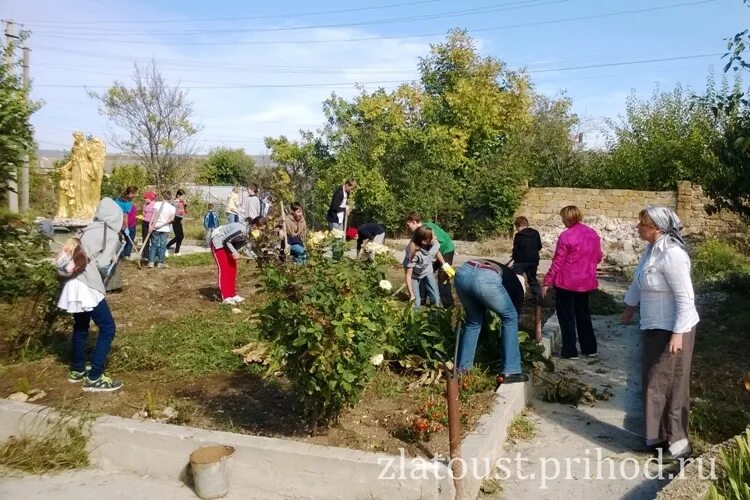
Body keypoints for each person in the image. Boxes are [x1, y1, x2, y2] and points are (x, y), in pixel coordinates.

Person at [621, 206, 699, 462]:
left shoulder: (673, 255)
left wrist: (678, 333)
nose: (637, 227)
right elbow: (638, 282)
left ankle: (679, 446)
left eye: (642, 224)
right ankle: (656, 439)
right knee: (654, 382)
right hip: (654, 327)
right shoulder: (650, 252)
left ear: (657, 228)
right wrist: (629, 308)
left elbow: (685, 298)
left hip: (674, 328)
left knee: (673, 384)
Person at [56, 197, 125, 392]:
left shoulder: (87, 228)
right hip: (88, 285)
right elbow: (103, 264)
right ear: (116, 216)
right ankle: (94, 377)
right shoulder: (110, 233)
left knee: (80, 325)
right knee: (108, 328)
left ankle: (77, 369)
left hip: (73, 282)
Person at [454, 258, 529, 386]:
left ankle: (462, 369)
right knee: (510, 317)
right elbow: (513, 314)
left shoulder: (507, 275)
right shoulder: (518, 290)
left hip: (463, 272)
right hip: (485, 278)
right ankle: (511, 370)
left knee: (473, 321)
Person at [542, 205, 603, 359]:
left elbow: (558, 261)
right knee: (584, 315)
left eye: (563, 217)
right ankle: (590, 349)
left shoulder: (566, 236)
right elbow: (598, 257)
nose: (562, 220)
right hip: (585, 282)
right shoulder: (593, 234)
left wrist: (547, 282)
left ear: (567, 218)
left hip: (566, 283)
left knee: (566, 317)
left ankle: (570, 351)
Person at [405, 211, 456, 308]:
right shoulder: (419, 232)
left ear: (414, 221)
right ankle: (422, 299)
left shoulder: (428, 229)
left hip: (446, 250)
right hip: (434, 253)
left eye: (408, 225)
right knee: (423, 271)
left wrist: (444, 264)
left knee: (443, 277)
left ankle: (448, 305)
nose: (407, 228)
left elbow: (442, 243)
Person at [511, 216, 544, 342]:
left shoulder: (519, 236)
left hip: (521, 261)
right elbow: (539, 247)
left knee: (516, 279)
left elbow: (516, 250)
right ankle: (538, 298)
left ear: (519, 225)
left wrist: (514, 255)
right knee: (532, 279)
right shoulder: (535, 233)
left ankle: (518, 297)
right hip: (533, 260)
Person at [209, 219, 250, 305]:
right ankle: (226, 296)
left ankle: (232, 294)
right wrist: (234, 252)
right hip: (218, 241)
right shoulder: (242, 229)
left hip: (228, 245)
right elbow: (225, 240)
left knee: (232, 269)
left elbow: (245, 246)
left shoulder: (250, 233)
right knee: (224, 269)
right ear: (255, 225)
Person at [148, 191, 176, 269]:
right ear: (170, 198)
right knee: (163, 246)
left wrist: (150, 225)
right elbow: (171, 219)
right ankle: (160, 262)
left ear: (162, 197)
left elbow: (153, 216)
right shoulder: (172, 208)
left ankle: (151, 262)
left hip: (155, 227)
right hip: (165, 229)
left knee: (154, 245)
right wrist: (162, 225)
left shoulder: (157, 204)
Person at [114, 186, 138, 260]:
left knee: (118, 240)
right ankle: (126, 255)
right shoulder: (127, 204)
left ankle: (118, 255)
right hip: (127, 225)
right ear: (131, 193)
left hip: (116, 224)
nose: (135, 195)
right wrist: (126, 227)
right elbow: (125, 216)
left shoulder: (117, 199)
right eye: (135, 194)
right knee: (129, 240)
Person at [166, 189, 187, 255]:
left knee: (181, 236)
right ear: (178, 195)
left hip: (179, 220)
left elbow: (184, 211)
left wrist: (185, 205)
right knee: (178, 236)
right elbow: (170, 209)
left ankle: (177, 251)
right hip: (175, 220)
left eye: (184, 196)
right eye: (182, 196)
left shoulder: (182, 202)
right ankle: (166, 247)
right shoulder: (175, 202)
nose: (184, 198)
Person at [140, 189, 157, 262]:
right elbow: (144, 213)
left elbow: (155, 214)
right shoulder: (145, 205)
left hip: (152, 224)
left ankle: (153, 255)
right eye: (144, 198)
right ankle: (145, 255)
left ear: (150, 198)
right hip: (145, 223)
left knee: (153, 239)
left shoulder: (154, 205)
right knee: (145, 239)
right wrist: (143, 214)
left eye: (146, 198)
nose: (145, 200)